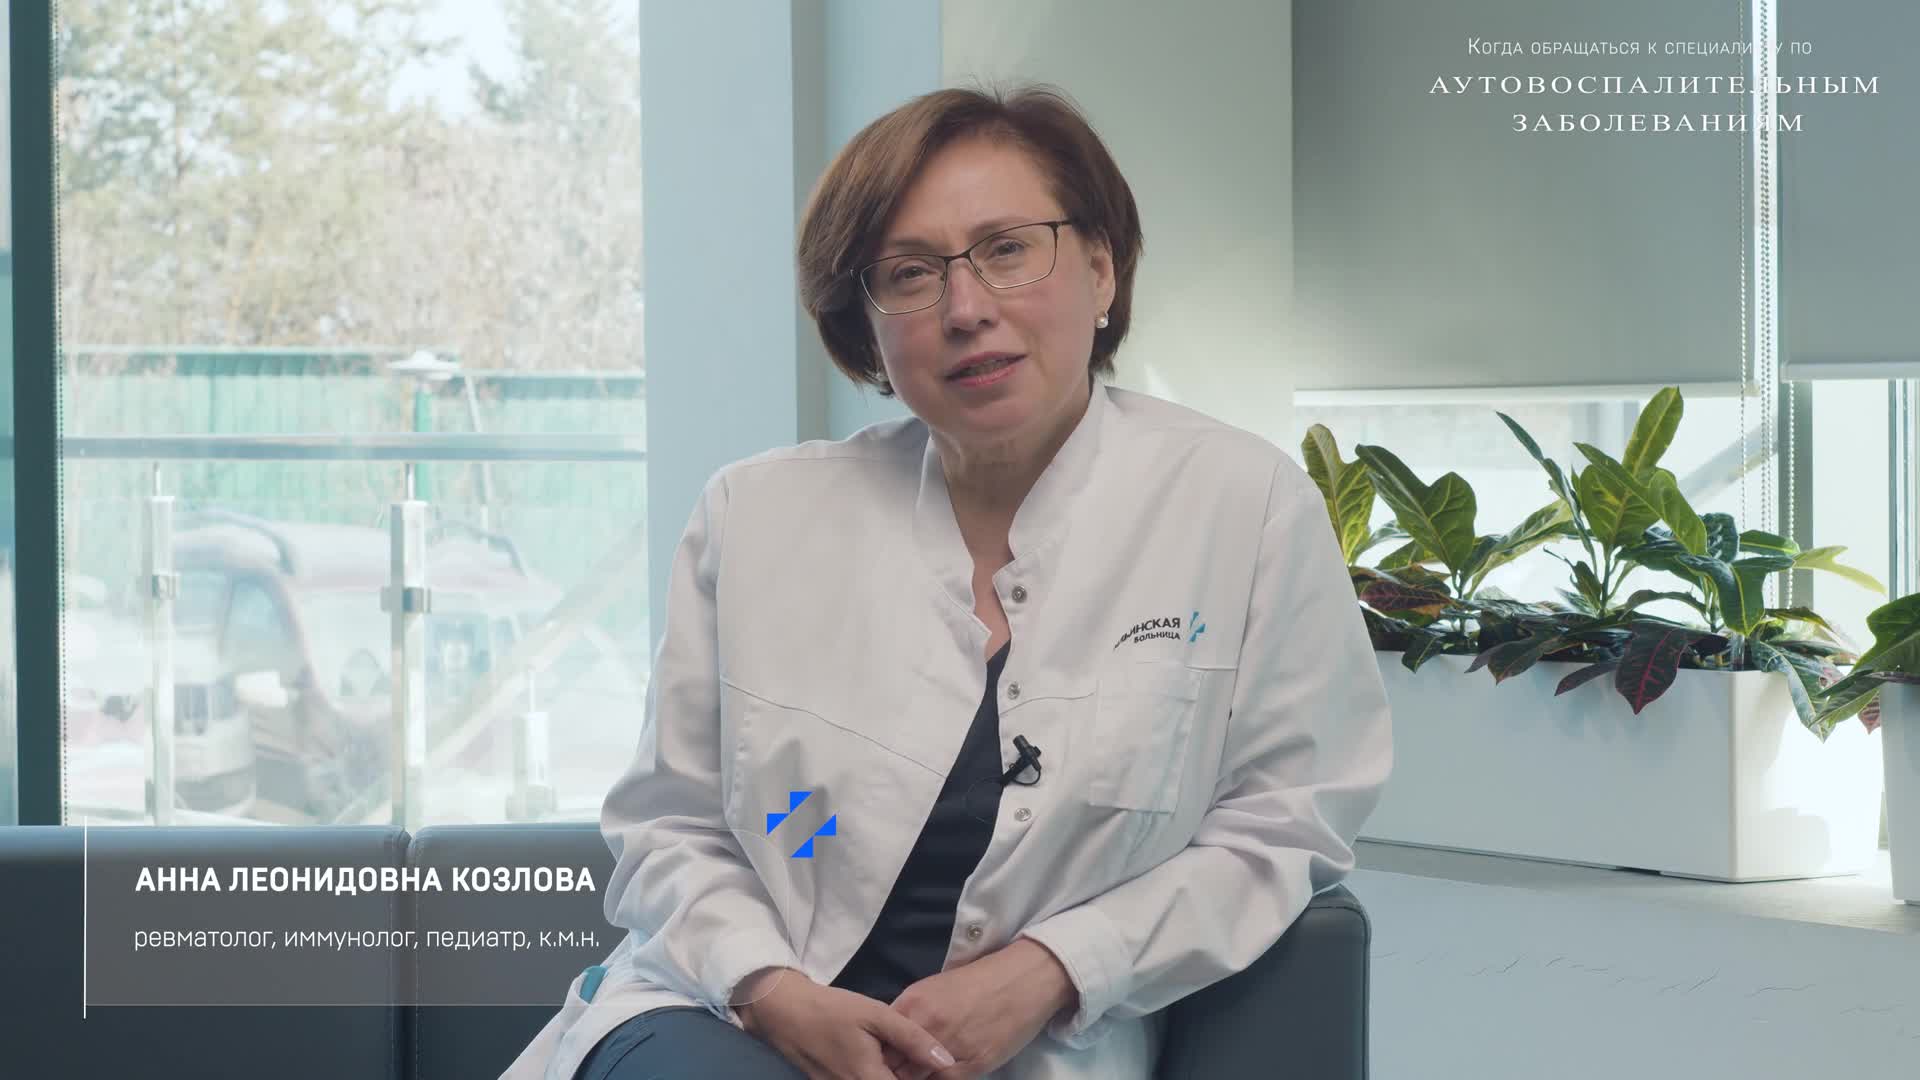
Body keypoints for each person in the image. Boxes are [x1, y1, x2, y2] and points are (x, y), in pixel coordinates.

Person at [503, 83, 1392, 1080]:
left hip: (1028, 1048)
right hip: (727, 1019)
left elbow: (1289, 820)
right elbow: (671, 825)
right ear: (867, 328)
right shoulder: (755, 516)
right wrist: (774, 990)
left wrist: (1055, 967)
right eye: (911, 274)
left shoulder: (1243, 504)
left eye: (1008, 249)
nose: (967, 309)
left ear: (1101, 269)